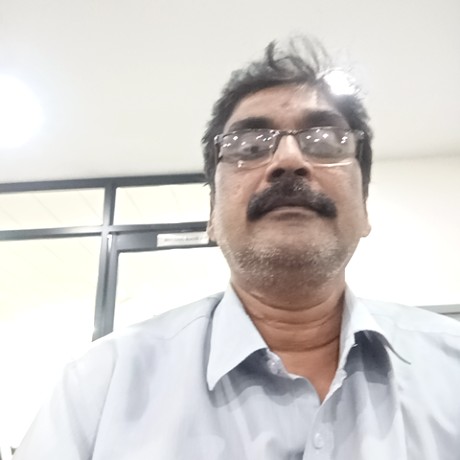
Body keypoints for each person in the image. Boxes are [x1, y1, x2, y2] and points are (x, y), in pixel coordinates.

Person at [14, 37, 460, 460]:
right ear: (212, 214)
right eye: (248, 147)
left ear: (363, 209)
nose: (289, 160)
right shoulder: (99, 385)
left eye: (325, 142)